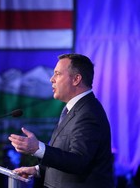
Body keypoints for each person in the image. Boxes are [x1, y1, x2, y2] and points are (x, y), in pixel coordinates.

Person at [8, 53, 114, 188]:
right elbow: (65, 154)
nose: (52, 79)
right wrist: (38, 170)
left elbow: (79, 162)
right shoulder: (74, 109)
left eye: (57, 74)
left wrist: (37, 148)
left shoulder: (88, 113)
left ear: (76, 79)